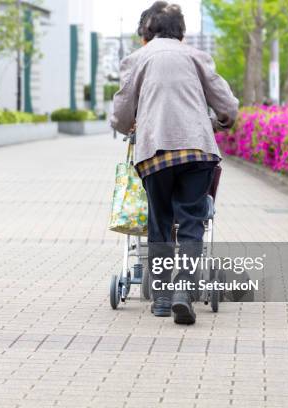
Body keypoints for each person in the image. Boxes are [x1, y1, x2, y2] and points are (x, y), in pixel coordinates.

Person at [111, 1, 239, 325]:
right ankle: (184, 291)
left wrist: (125, 125)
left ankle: (163, 299)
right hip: (198, 151)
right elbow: (226, 104)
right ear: (180, 33)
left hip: (155, 152)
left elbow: (123, 108)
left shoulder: (138, 59)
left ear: (146, 33)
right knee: (193, 219)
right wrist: (221, 121)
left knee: (160, 221)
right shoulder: (196, 57)